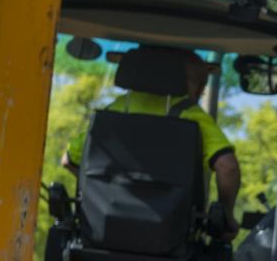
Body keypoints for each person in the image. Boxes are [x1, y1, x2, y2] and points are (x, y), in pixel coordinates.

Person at [64, 46, 240, 239]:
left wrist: (98, 196)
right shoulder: (192, 117)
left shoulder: (116, 110)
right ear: (181, 81)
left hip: (102, 234)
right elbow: (227, 167)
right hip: (173, 239)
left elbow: (69, 160)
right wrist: (225, 214)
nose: (201, 92)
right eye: (200, 85)